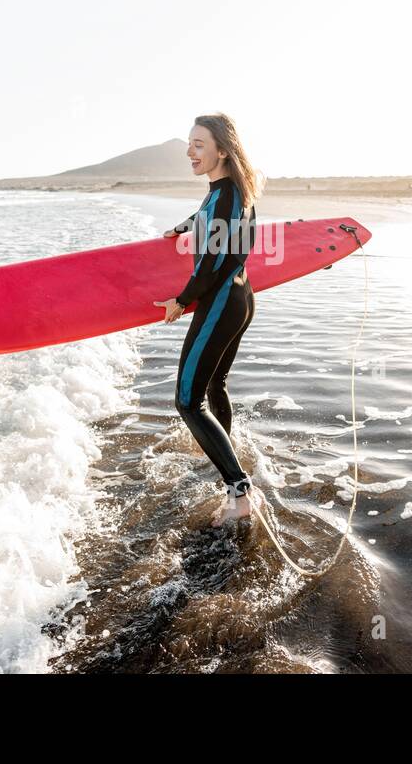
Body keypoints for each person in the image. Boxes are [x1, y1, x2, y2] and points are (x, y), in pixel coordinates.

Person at [154, 113, 264, 527]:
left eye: (198, 144)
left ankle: (240, 492)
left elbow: (213, 262)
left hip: (220, 301)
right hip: (241, 297)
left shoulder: (225, 195)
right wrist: (183, 227)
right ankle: (226, 453)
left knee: (187, 400)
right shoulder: (233, 190)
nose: (189, 152)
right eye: (189, 144)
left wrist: (180, 301)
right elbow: (212, 223)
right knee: (214, 384)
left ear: (222, 148)